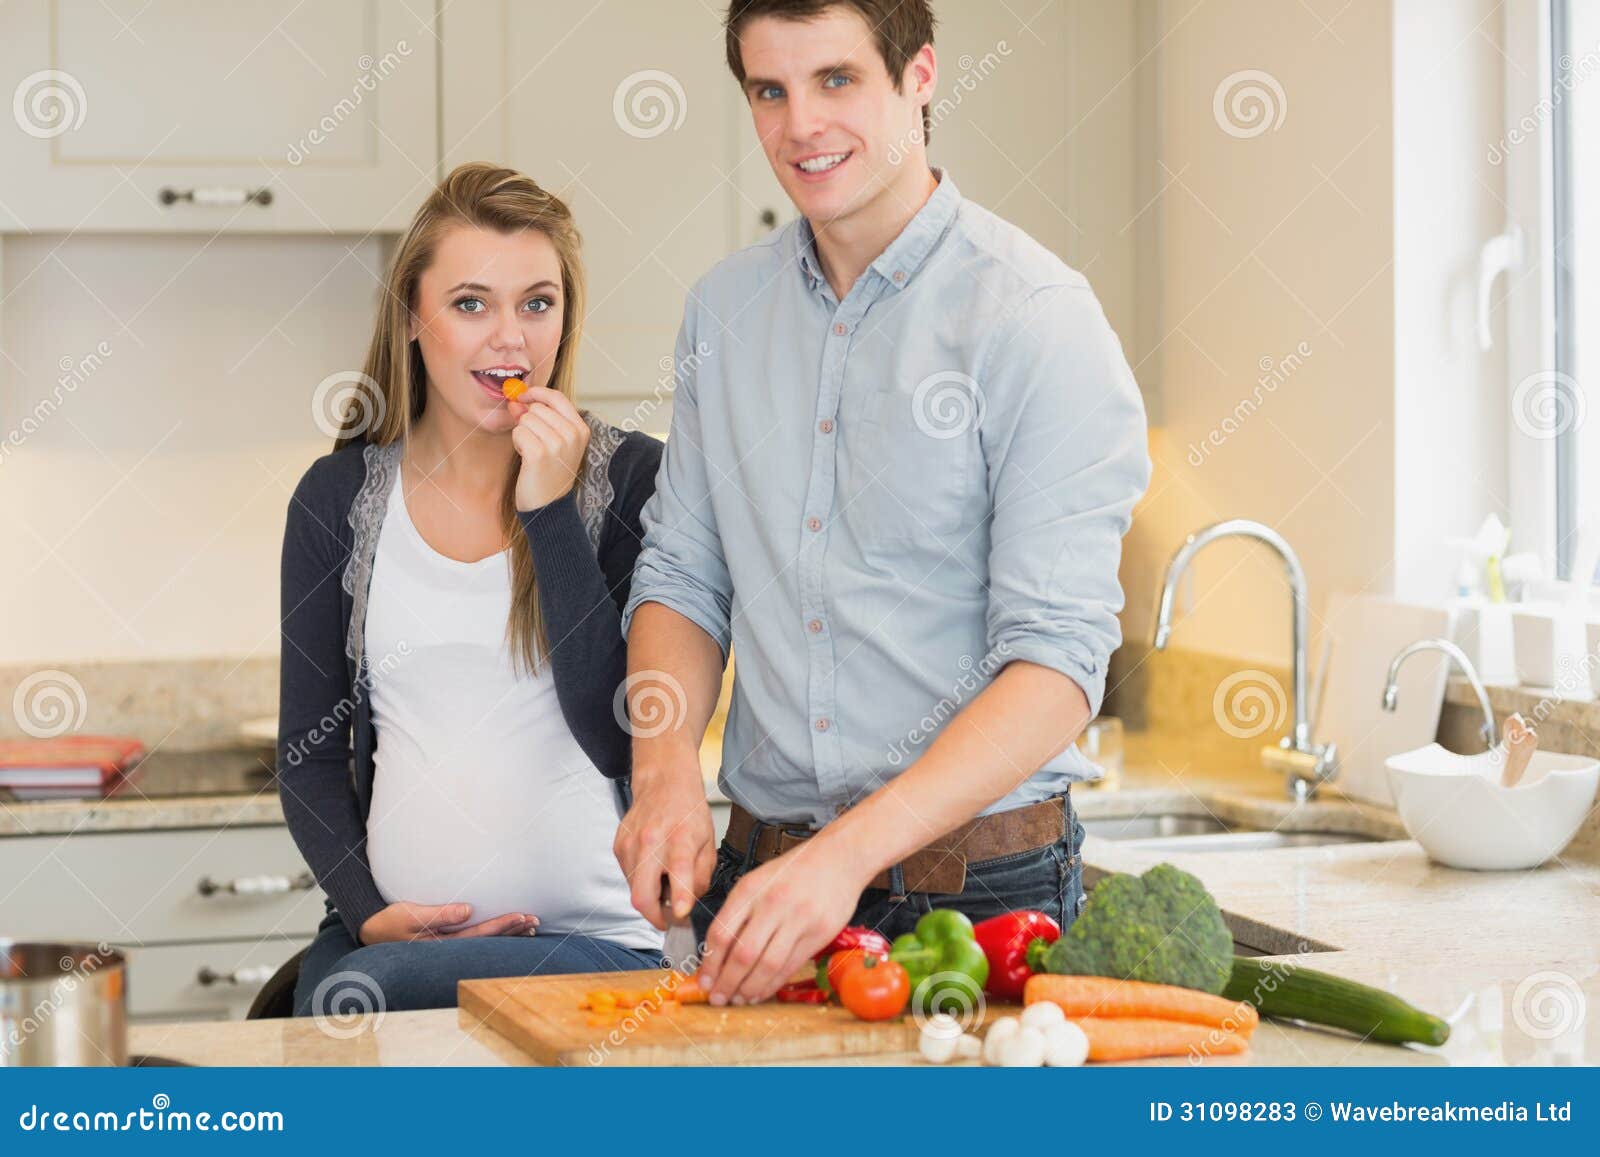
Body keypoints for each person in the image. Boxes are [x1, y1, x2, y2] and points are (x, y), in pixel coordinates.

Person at [614, 0, 1152, 1006]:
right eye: (768, 91)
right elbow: (684, 573)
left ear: (920, 77)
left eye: (837, 80)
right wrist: (664, 769)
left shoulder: (1035, 319)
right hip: (762, 885)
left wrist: (843, 856)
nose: (800, 126)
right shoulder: (723, 313)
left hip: (984, 899)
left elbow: (1057, 659)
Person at [278, 162, 664, 1017]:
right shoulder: (338, 500)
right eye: (469, 304)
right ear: (413, 317)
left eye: (537, 303)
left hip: (602, 944)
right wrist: (372, 916)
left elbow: (621, 738)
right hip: (389, 948)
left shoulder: (633, 480)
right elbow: (307, 751)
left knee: (358, 1004)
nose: (510, 339)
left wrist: (552, 512)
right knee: (348, 997)